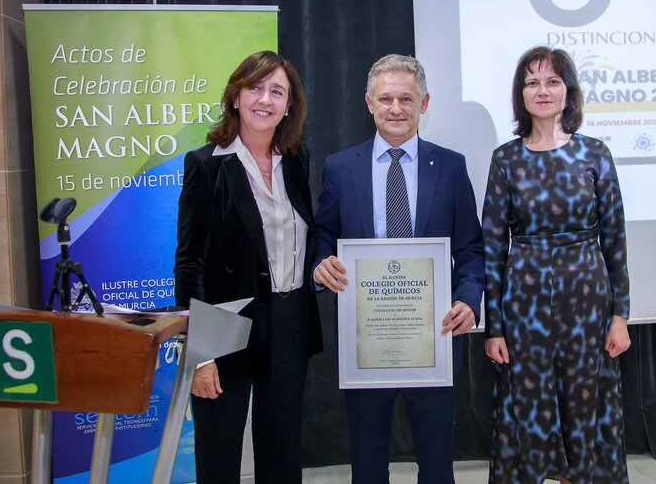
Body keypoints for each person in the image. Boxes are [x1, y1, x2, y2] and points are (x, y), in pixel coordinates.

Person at [312, 54, 484, 484]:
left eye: (406, 98)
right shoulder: (340, 166)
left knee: (437, 464)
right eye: (385, 98)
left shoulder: (451, 165)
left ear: (424, 103)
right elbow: (322, 235)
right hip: (366, 340)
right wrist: (320, 265)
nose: (395, 108)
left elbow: (470, 248)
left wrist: (468, 299)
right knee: (367, 465)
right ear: (369, 102)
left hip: (434, 335)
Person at [483, 46, 632, 484]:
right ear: (520, 94)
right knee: (525, 407)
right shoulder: (505, 159)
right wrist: (495, 327)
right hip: (523, 306)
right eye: (532, 82)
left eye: (552, 81)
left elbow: (616, 241)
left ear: (569, 91)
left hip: (587, 303)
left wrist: (620, 315)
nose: (542, 90)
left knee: (586, 404)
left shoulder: (595, 154)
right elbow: (492, 246)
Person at [173, 50, 323, 483]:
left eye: (277, 91)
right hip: (225, 327)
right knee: (219, 458)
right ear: (235, 96)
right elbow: (190, 263)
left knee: (282, 456)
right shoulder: (206, 164)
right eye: (255, 87)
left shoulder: (296, 161)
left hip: (289, 322)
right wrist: (201, 355)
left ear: (290, 106)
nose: (265, 99)